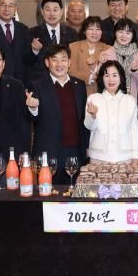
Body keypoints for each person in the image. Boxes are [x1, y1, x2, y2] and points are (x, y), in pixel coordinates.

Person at [26, 45, 88, 184]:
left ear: (69, 62)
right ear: (47, 63)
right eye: (55, 60)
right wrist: (33, 108)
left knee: (74, 193)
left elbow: (83, 120)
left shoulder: (79, 85)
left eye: (63, 59)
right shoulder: (37, 85)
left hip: (75, 152)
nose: (59, 64)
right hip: (49, 152)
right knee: (49, 193)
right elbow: (32, 118)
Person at [84, 60, 138, 162]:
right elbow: (89, 126)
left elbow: (136, 129)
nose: (111, 79)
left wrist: (136, 156)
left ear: (121, 78)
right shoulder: (93, 98)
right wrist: (93, 115)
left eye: (115, 75)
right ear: (102, 78)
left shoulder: (130, 100)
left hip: (125, 157)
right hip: (99, 157)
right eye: (107, 75)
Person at [26, 0, 80, 82]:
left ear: (61, 12)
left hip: (66, 81)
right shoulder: (32, 32)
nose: (51, 14)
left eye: (55, 10)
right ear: (42, 12)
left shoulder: (72, 33)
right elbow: (26, 60)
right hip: (41, 81)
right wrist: (34, 50)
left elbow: (75, 59)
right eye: (48, 10)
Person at [100, 18, 138, 95]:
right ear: (115, 33)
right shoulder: (106, 54)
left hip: (132, 97)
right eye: (120, 32)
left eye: (128, 33)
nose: (124, 36)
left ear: (133, 35)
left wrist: (136, 71)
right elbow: (100, 79)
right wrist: (99, 65)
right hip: (110, 97)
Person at [68, 16, 111, 96]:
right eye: (90, 29)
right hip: (79, 92)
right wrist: (89, 77)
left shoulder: (108, 49)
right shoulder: (73, 47)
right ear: (84, 31)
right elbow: (71, 71)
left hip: (102, 93)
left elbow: (110, 73)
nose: (94, 33)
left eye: (98, 29)